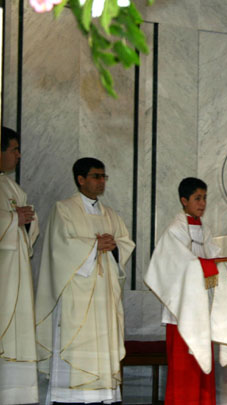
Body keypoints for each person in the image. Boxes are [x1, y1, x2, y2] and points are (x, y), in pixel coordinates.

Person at [36, 157, 135, 404]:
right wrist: (93, 246)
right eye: (96, 176)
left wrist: (113, 247)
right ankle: (69, 397)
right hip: (76, 297)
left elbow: (125, 242)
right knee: (76, 346)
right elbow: (59, 248)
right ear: (80, 180)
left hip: (103, 298)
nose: (101, 181)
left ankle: (102, 396)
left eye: (104, 177)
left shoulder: (110, 214)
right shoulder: (64, 208)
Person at [144, 177, 227, 404]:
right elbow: (175, 265)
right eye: (197, 198)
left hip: (202, 310)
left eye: (205, 198)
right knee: (184, 371)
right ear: (184, 200)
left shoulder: (204, 229)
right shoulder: (175, 230)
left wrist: (221, 264)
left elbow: (210, 258)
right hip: (181, 312)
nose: (202, 203)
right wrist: (208, 265)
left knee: (202, 365)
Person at [0, 127, 39, 404]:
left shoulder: (13, 188)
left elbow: (29, 231)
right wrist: (14, 219)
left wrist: (25, 220)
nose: (19, 155)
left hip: (17, 277)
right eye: (14, 149)